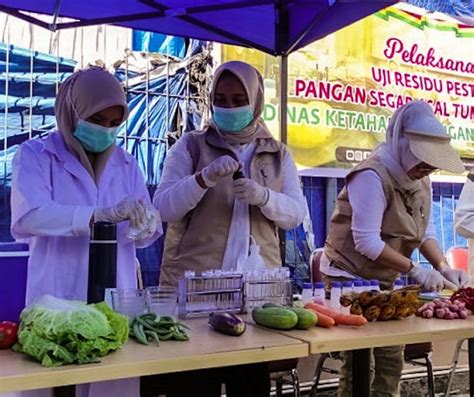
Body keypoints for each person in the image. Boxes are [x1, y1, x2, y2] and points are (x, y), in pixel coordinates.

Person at [150, 60, 306, 396]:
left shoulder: (277, 154)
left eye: (238, 99)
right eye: (221, 98)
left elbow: (295, 214)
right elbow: (163, 206)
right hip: (196, 295)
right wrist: (202, 179)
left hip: (255, 298)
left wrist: (264, 196)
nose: (229, 107)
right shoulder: (191, 146)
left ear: (256, 100)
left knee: (249, 386)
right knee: (193, 387)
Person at [10, 67, 161, 397]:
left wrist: (148, 222)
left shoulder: (127, 163)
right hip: (57, 297)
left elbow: (147, 230)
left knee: (110, 382)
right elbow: (29, 216)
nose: (105, 130)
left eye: (113, 123)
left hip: (113, 300)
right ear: (72, 111)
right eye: (97, 119)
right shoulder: (36, 156)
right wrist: (96, 215)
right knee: (55, 385)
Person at [321, 100, 468, 396]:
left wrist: (442, 267)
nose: (426, 168)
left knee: (391, 359)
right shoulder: (371, 176)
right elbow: (366, 242)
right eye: (422, 159)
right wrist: (415, 270)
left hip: (386, 279)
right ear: (401, 143)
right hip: (349, 278)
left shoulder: (421, 179)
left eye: (431, 162)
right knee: (360, 363)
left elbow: (421, 230)